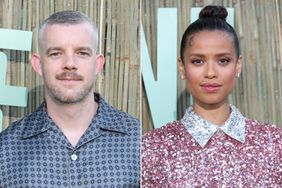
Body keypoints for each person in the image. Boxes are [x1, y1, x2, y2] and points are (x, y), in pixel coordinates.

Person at [142, 5, 282, 187]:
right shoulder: (151, 150)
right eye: (198, 61)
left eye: (223, 61)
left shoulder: (274, 145)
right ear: (182, 67)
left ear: (238, 65)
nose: (210, 73)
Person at [0, 10, 140, 187]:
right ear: (38, 64)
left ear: (97, 64)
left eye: (82, 53)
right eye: (56, 53)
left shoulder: (139, 141)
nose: (70, 64)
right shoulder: (5, 150)